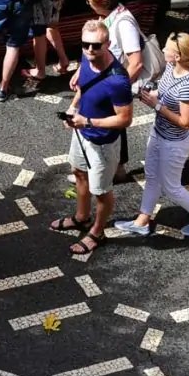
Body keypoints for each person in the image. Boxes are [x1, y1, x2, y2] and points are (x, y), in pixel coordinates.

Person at [115, 33, 189, 237]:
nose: (162, 51)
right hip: (158, 133)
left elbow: (186, 123)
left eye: (167, 49)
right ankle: (142, 220)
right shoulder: (170, 68)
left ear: (177, 56)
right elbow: (163, 92)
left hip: (175, 142)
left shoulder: (187, 84)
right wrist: (151, 96)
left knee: (171, 187)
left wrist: (157, 106)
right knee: (151, 176)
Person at [49, 20, 133, 255]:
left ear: (107, 44)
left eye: (96, 46)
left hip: (103, 143)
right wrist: (74, 108)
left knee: (101, 190)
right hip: (81, 132)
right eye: (85, 45)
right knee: (78, 172)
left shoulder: (118, 80)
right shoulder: (87, 59)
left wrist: (87, 121)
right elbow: (84, 87)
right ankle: (81, 217)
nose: (89, 50)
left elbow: (125, 119)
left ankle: (97, 232)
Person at [70, 0, 144, 182]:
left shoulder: (123, 23)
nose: (89, 5)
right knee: (113, 121)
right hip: (108, 78)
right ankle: (116, 169)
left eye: (90, 1)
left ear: (101, 2)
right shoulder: (111, 16)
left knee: (113, 120)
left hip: (114, 80)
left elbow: (136, 62)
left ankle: (109, 171)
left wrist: (117, 87)